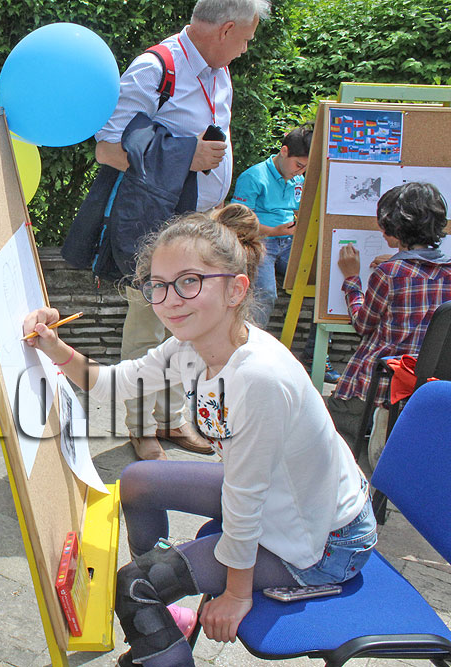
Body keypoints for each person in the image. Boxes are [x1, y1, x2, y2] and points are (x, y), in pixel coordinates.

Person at [23, 209, 374, 666]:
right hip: (285, 497)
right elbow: (115, 383)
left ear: (236, 290)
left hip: (324, 539)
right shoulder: (190, 346)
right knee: (138, 480)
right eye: (158, 285)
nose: (170, 300)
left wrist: (235, 594)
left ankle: (159, 615)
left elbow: (246, 499)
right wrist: (52, 346)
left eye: (189, 281)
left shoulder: (259, 379)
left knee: (133, 586)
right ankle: (166, 603)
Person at [93, 0, 269, 460]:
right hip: (155, 228)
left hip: (200, 223)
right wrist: (184, 159)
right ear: (226, 29)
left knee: (189, 328)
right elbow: (107, 149)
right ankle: (141, 428)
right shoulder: (155, 69)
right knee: (146, 328)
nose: (245, 49)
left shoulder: (218, 72)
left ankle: (170, 420)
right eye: (245, 39)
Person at [327, 182, 451, 451]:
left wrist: (352, 279)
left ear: (397, 228)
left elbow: (363, 324)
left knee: (336, 423)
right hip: (425, 388)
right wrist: (398, 258)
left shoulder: (390, 273)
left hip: (377, 384)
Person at [230, 124, 340, 381]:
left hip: (290, 242)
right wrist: (274, 230)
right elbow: (238, 221)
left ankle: (315, 354)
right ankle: (247, 353)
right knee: (266, 293)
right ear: (284, 151)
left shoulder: (298, 180)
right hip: (261, 241)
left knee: (327, 285)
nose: (300, 172)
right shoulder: (253, 177)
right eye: (298, 165)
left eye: (305, 168)